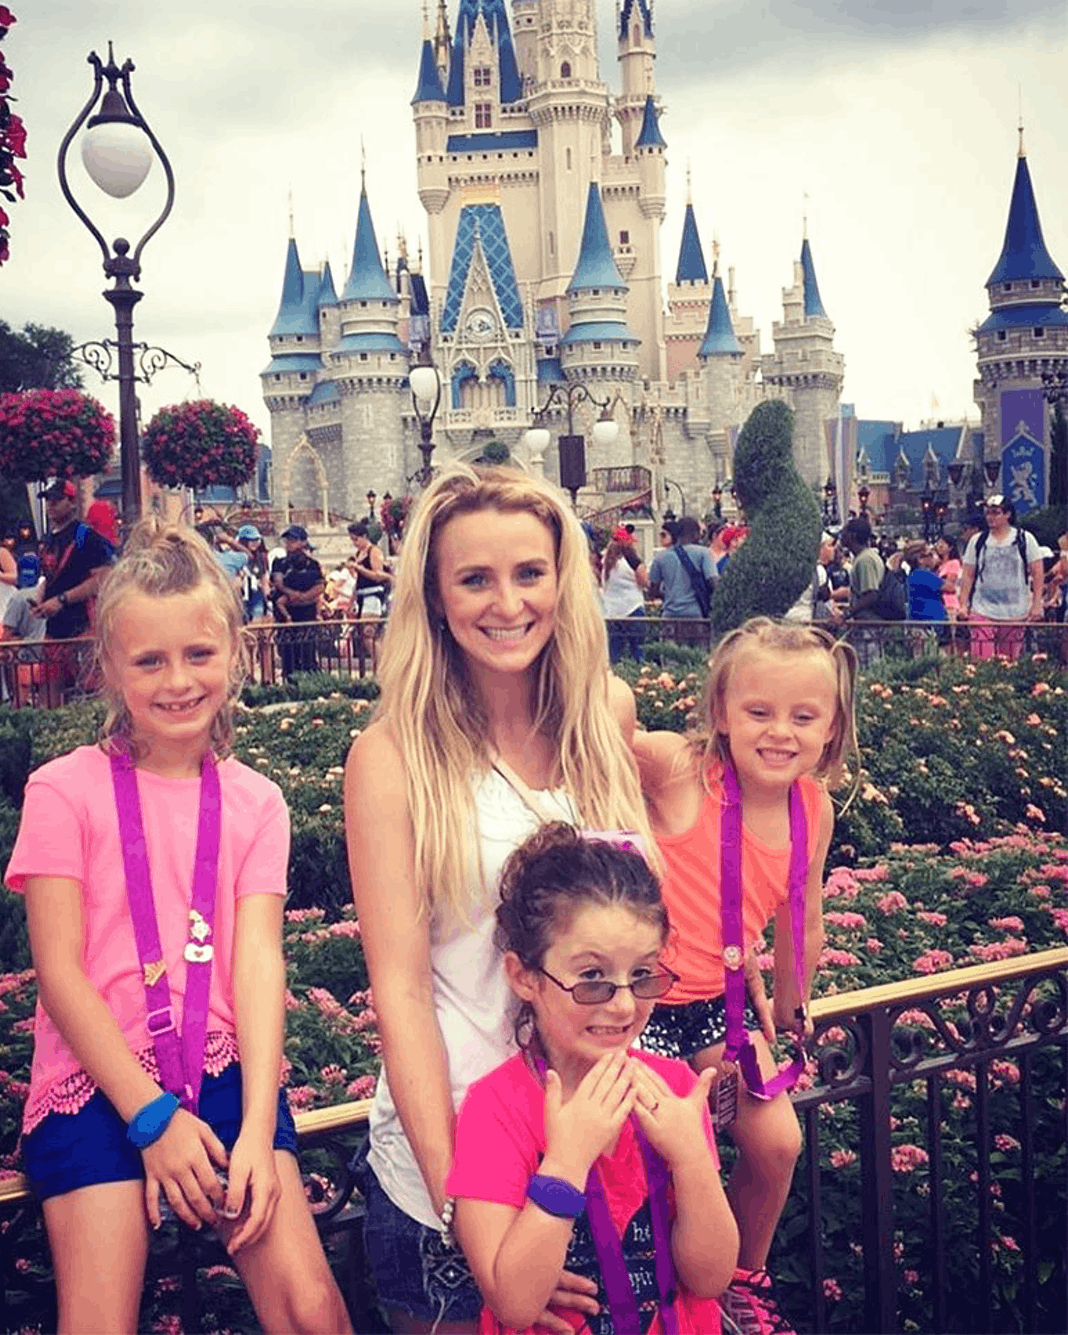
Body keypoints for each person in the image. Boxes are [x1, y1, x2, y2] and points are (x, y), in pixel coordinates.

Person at [4, 519, 350, 1335]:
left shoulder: (257, 801)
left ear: (234, 651)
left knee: (313, 1312)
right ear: (108, 665)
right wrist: (150, 1116)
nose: (178, 680)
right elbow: (60, 973)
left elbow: (258, 962)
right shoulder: (61, 790)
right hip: (97, 1079)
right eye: (149, 660)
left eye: (198, 654)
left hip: (223, 1072)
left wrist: (258, 1129)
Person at [345, 463, 656, 1334]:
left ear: (563, 581)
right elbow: (401, 992)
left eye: (528, 573)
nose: (507, 602)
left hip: (594, 1155)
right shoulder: (392, 757)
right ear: (435, 598)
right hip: (455, 1174)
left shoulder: (605, 717)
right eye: (474, 578)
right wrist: (464, 1211)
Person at [633, 618, 856, 1335]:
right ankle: (660, 1290)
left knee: (777, 1142)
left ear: (831, 727)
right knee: (660, 1159)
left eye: (803, 716)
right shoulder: (680, 771)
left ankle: (739, 1278)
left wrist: (792, 1002)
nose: (780, 732)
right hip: (636, 1012)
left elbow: (801, 914)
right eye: (758, 710)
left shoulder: (812, 807)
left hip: (716, 1008)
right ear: (721, 712)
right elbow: (601, 716)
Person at [447, 822, 737, 1335]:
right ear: (524, 977)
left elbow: (710, 1277)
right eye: (592, 978)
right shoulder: (495, 1109)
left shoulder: (674, 1091)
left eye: (642, 974)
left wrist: (690, 1157)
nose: (623, 1005)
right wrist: (566, 1163)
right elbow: (514, 1303)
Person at [31, 481, 116, 704]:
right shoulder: (48, 539)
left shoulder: (86, 536)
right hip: (54, 628)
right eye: (48, 500)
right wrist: (40, 598)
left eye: (57, 500)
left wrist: (62, 600)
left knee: (89, 692)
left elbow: (103, 578)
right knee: (49, 691)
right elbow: (50, 577)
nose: (51, 505)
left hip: (82, 628)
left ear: (72, 502)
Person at [956, 494, 1043, 660]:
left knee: (1008, 661)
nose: (990, 517)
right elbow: (968, 574)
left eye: (996, 513)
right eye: (988, 513)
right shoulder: (977, 541)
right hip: (982, 609)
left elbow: (1037, 573)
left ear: (1007, 514)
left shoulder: (1025, 539)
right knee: (982, 659)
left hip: (1015, 611)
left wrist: (1036, 605)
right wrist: (963, 605)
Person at [270, 526, 324, 677]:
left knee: (308, 652)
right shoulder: (280, 563)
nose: (289, 543)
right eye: (288, 540)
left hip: (307, 612)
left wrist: (303, 596)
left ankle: (310, 682)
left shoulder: (312, 564)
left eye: (293, 540)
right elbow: (278, 582)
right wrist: (291, 593)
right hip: (287, 613)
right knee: (288, 654)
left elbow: (320, 586)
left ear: (303, 542)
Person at [647, 516, 718, 625]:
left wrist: (670, 594)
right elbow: (713, 582)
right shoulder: (703, 553)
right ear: (695, 533)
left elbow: (652, 591)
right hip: (694, 613)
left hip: (669, 614)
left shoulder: (660, 558)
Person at [346, 519, 392, 665]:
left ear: (364, 536)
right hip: (362, 594)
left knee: (369, 634)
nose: (355, 543)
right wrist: (351, 600)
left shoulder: (374, 551)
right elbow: (358, 581)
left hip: (373, 594)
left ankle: (382, 665)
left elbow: (378, 575)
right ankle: (379, 664)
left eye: (356, 539)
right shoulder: (359, 553)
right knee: (366, 635)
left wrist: (359, 568)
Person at [841, 516, 886, 666]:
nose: (842, 536)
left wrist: (847, 613)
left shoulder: (865, 560)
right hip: (866, 625)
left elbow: (871, 594)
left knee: (866, 668)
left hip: (868, 627)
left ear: (852, 536)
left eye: (845, 532)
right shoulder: (864, 558)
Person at [600, 523, 648, 664]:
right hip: (633, 608)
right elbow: (644, 581)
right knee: (638, 650)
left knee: (614, 652)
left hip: (612, 611)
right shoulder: (631, 557)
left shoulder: (605, 560)